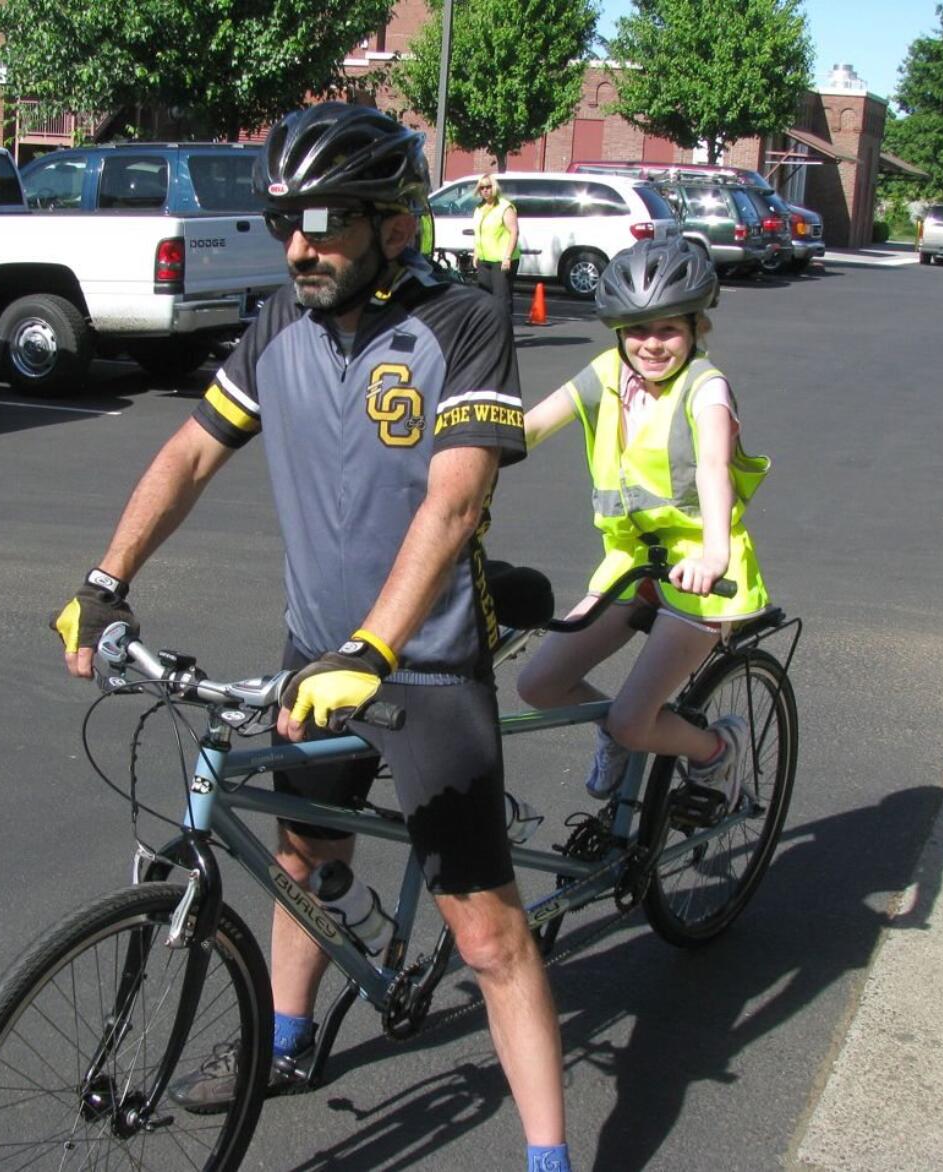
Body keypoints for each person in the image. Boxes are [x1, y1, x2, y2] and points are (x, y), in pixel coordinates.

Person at [52, 102, 573, 1172]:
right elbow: (192, 453)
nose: (296, 244)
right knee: (301, 852)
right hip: (314, 652)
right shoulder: (277, 325)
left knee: (485, 932)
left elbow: (453, 505)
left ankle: (548, 1154)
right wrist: (106, 580)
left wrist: (375, 646)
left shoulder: (461, 320)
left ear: (393, 222)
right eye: (284, 218)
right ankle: (282, 1040)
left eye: (324, 221)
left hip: (421, 666)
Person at [517, 237, 771, 805]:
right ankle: (616, 734)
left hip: (700, 574)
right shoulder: (607, 372)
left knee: (637, 719)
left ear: (696, 328)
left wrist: (712, 554)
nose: (651, 345)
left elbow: (711, 468)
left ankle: (716, 751)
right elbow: (529, 430)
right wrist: (453, 457)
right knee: (539, 684)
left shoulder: (705, 387)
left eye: (668, 330)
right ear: (618, 332)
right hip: (631, 564)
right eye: (637, 330)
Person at [472, 173, 520, 316]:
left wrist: (507, 257)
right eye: (482, 188)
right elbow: (478, 233)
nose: (485, 190)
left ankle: (505, 332)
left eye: (488, 186)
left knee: (502, 298)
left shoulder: (505, 207)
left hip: (501, 260)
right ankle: (490, 332)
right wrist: (476, 254)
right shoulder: (479, 208)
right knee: (485, 297)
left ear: (494, 187)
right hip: (484, 259)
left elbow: (514, 232)